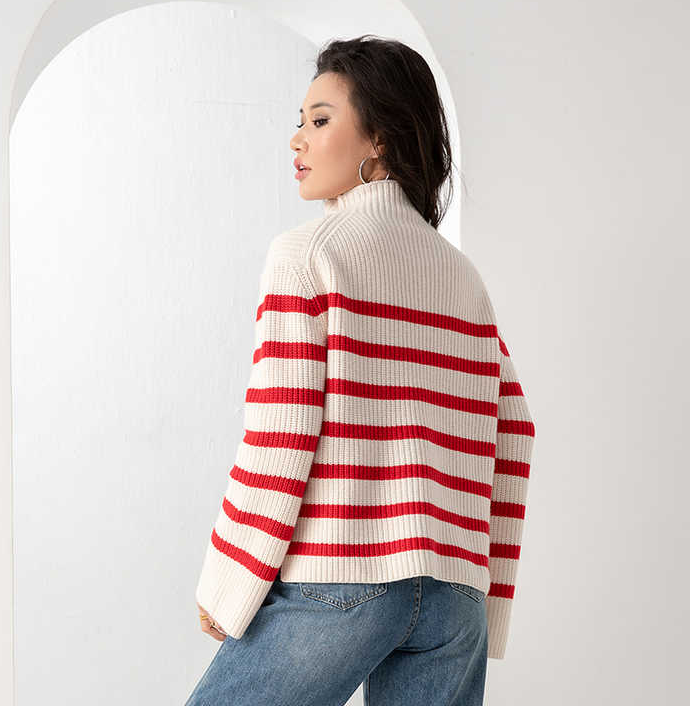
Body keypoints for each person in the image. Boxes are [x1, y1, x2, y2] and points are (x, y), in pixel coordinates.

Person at [186, 35, 535, 706]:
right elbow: (514, 428)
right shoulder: (462, 277)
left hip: (340, 576)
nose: (297, 140)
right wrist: (481, 599)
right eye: (299, 121)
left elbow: (282, 433)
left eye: (320, 120)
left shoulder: (307, 256)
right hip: (453, 597)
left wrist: (230, 583)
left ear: (380, 137)